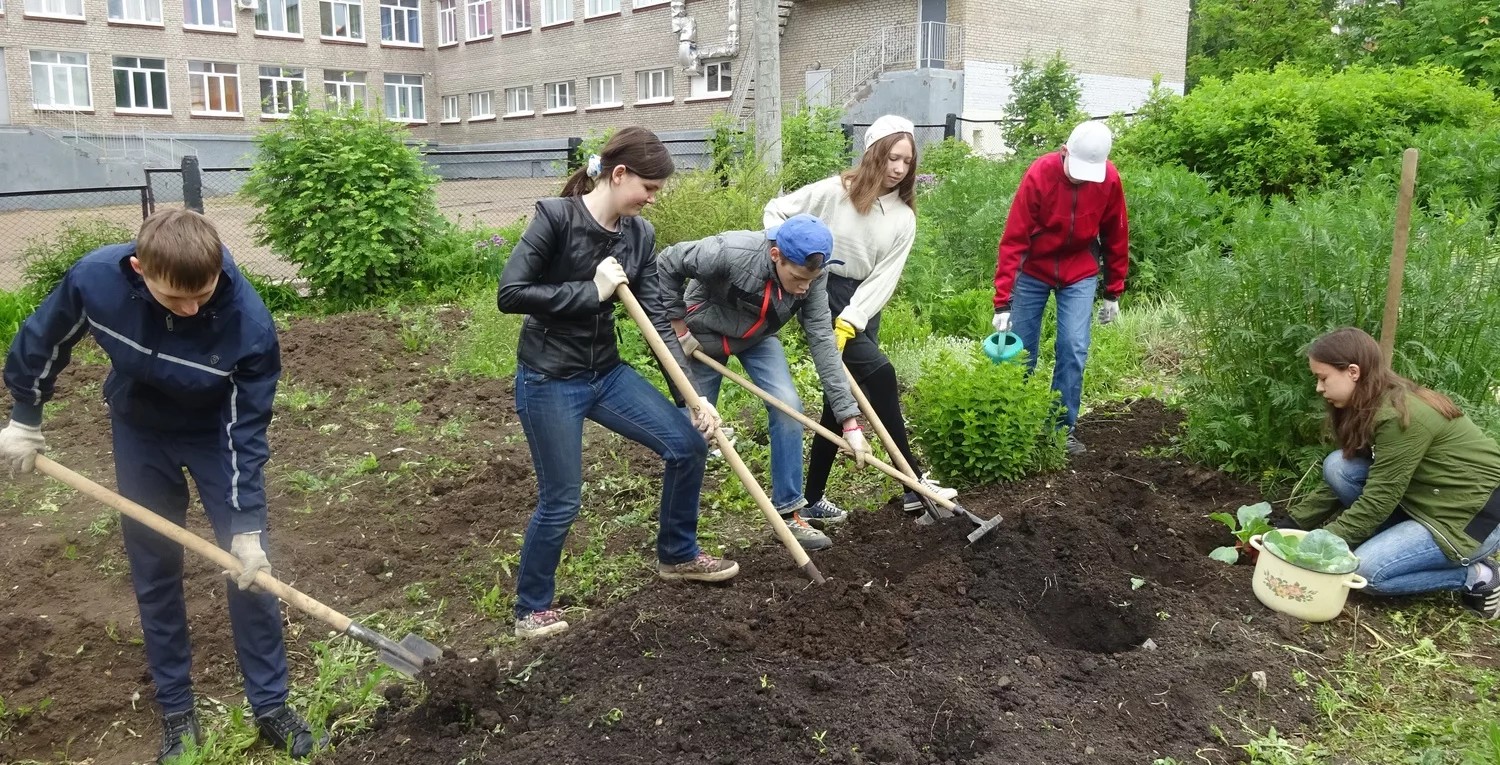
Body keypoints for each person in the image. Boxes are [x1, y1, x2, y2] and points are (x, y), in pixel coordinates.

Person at [0, 209, 323, 762]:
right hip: (140, 429)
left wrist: (246, 526)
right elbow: (42, 339)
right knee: (154, 569)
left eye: (204, 293)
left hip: (215, 436)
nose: (192, 309)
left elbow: (246, 432)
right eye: (176, 298)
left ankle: (270, 705)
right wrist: (25, 417)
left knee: (250, 572)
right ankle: (177, 709)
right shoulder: (95, 280)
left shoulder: (248, 325)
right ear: (138, 270)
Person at [497, 126, 737, 641]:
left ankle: (678, 556)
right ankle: (530, 609)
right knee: (562, 498)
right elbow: (511, 292)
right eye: (648, 188)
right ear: (619, 173)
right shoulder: (555, 218)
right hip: (548, 378)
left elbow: (655, 322)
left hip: (605, 374)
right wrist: (591, 291)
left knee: (688, 445)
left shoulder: (639, 236)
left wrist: (692, 397)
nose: (652, 198)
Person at [763, 115, 958, 521]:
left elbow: (885, 276)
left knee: (843, 400)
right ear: (873, 154)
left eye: (907, 161)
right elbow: (777, 210)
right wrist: (789, 260)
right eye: (892, 158)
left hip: (865, 304)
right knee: (882, 375)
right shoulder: (835, 192)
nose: (899, 169)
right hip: (823, 289)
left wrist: (853, 318)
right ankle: (914, 485)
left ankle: (811, 499)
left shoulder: (903, 216)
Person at [656, 213, 873, 551]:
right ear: (776, 256)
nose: (804, 287)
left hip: (758, 338)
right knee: (693, 431)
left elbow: (821, 337)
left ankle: (789, 513)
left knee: (788, 407)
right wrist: (677, 327)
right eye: (797, 278)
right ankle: (678, 541)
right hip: (702, 335)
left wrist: (850, 422)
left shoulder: (814, 274)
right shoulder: (729, 251)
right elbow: (667, 262)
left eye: (811, 280)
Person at [1287, 327, 1500, 618]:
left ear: (1353, 372)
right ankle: (1396, 543)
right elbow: (1368, 485)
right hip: (1428, 502)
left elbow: (1379, 500)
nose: (1319, 388)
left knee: (1365, 571)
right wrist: (1291, 523)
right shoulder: (1372, 404)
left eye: (1323, 378)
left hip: (1469, 521)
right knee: (1339, 466)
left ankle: (1477, 575)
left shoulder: (1400, 416)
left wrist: (1315, 548)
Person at [991, 120, 1130, 455]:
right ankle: (1013, 426)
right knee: (1020, 351)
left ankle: (1060, 430)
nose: (1081, 179)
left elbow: (1116, 233)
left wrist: (1113, 291)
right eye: (1076, 170)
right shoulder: (1040, 174)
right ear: (1064, 152)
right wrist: (1003, 301)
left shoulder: (1108, 179)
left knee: (1073, 346)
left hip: (1079, 270)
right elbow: (1014, 237)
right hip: (1033, 270)